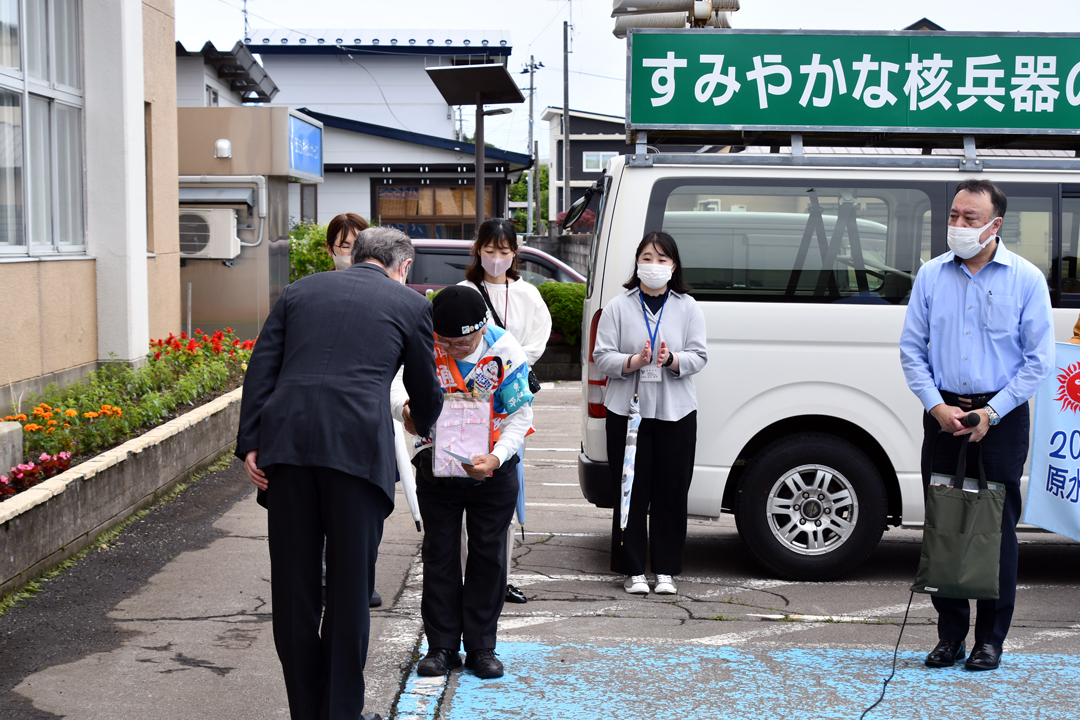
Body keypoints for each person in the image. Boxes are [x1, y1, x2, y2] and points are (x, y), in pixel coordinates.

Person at [236, 226, 443, 720]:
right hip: (355, 454)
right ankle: (342, 713)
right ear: (404, 266)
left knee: (294, 591)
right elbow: (425, 387)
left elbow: (261, 367)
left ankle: (306, 712)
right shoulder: (411, 305)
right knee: (350, 592)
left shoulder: (299, 291)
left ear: (357, 255)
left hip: (286, 450)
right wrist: (425, 422)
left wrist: (251, 443)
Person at [900, 179, 1054, 672]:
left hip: (1000, 419)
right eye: (954, 216)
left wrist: (992, 412)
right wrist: (935, 406)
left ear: (995, 224)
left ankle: (991, 638)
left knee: (995, 529)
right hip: (944, 416)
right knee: (945, 524)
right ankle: (950, 637)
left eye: (970, 219)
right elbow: (911, 350)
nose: (959, 226)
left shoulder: (1026, 279)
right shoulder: (930, 275)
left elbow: (1038, 361)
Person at [391, 285, 535, 680]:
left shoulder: (504, 351)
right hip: (437, 467)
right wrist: (402, 410)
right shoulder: (425, 343)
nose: (453, 349)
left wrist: (496, 457)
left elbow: (520, 415)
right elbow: (394, 386)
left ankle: (481, 647)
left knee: (488, 557)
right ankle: (440, 646)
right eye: (446, 342)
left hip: (492, 467)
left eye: (463, 342)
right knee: (440, 554)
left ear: (481, 328)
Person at [591, 231, 708, 596]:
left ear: (673, 267)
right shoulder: (618, 306)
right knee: (630, 490)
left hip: (675, 412)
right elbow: (601, 356)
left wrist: (671, 359)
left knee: (671, 492)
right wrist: (635, 361)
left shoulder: (688, 306)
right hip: (627, 411)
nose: (653, 266)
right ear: (637, 264)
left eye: (661, 259)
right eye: (647, 258)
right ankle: (632, 570)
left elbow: (699, 355)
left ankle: (666, 570)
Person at [459, 217, 553, 605]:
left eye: (504, 251)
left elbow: (537, 341)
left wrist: (505, 362)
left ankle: (501, 577)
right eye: (489, 249)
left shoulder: (528, 294)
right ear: (478, 249)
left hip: (510, 403)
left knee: (505, 492)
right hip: (467, 403)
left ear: (515, 253)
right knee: (465, 489)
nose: (496, 258)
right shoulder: (463, 291)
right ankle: (467, 577)